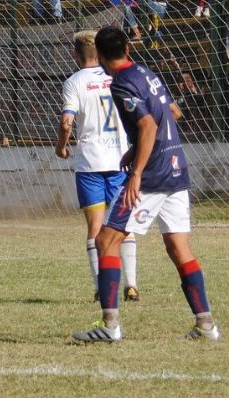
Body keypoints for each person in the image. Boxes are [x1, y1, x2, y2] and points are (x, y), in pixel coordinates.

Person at [73, 26, 219, 342]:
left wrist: (136, 172)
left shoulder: (122, 83)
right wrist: (136, 146)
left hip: (152, 176)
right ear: (127, 47)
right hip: (177, 168)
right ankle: (206, 324)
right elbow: (173, 113)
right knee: (179, 247)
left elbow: (148, 124)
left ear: (98, 55)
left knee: (105, 242)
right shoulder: (147, 73)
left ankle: (110, 327)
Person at [55, 30, 140, 304]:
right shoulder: (118, 76)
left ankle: (101, 288)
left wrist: (61, 146)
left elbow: (67, 121)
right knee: (122, 224)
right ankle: (132, 285)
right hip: (120, 160)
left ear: (74, 54)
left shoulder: (73, 82)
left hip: (89, 163)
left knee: (95, 227)